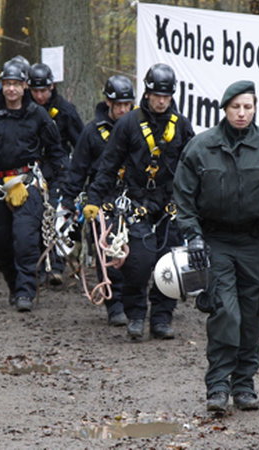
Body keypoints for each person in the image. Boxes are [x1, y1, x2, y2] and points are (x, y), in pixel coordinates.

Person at [173, 80, 259, 412]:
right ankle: (218, 385)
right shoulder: (201, 148)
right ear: (225, 109)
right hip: (215, 243)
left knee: (250, 315)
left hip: (255, 243)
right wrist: (194, 236)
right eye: (236, 107)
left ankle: (244, 384)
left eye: (248, 107)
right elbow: (184, 199)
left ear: (256, 107)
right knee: (224, 311)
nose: (242, 113)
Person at [84, 63, 195, 341]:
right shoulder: (128, 124)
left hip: (169, 203)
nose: (161, 101)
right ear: (147, 94)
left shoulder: (181, 126)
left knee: (168, 263)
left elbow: (193, 166)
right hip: (135, 202)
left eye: (166, 96)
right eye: (157, 95)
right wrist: (94, 199)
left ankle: (161, 318)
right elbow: (108, 165)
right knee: (139, 263)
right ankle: (135, 315)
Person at [0, 61, 66, 312]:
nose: (11, 90)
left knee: (25, 239)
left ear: (24, 87)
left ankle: (25, 291)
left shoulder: (37, 114)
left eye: (16, 85)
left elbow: (56, 152)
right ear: (2, 86)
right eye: (7, 84)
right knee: (1, 241)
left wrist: (56, 185)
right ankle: (13, 285)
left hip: (27, 182)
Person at [59, 75, 136, 326]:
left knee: (138, 254)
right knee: (109, 251)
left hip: (135, 196)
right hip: (103, 198)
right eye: (118, 105)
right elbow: (78, 168)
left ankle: (135, 302)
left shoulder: (140, 127)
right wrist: (68, 201)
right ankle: (114, 304)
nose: (123, 110)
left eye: (127, 104)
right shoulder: (92, 132)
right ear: (108, 103)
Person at [27, 62, 83, 285]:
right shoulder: (23, 110)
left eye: (44, 90)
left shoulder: (66, 111)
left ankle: (56, 266)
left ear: (52, 87)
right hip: (32, 169)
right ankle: (37, 266)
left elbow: (81, 143)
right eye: (35, 91)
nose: (40, 96)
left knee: (58, 216)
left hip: (59, 169)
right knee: (34, 216)